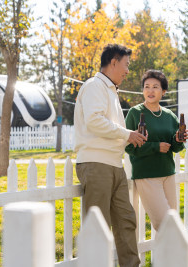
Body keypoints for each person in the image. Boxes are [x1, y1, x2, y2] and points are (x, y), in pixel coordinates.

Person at [74, 44, 147, 267]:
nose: (127, 71)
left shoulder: (111, 91)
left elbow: (112, 130)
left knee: (126, 221)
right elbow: (94, 121)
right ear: (113, 62)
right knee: (99, 226)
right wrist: (127, 134)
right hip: (96, 164)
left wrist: (132, 138)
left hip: (114, 165)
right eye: (126, 65)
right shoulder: (95, 86)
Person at [125, 69, 188, 231]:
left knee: (172, 221)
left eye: (155, 87)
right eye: (147, 86)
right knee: (164, 224)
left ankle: (165, 256)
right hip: (147, 175)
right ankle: (172, 256)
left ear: (164, 91)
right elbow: (129, 146)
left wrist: (179, 140)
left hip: (168, 173)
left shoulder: (169, 115)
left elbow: (175, 146)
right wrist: (155, 147)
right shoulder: (135, 113)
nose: (150, 90)